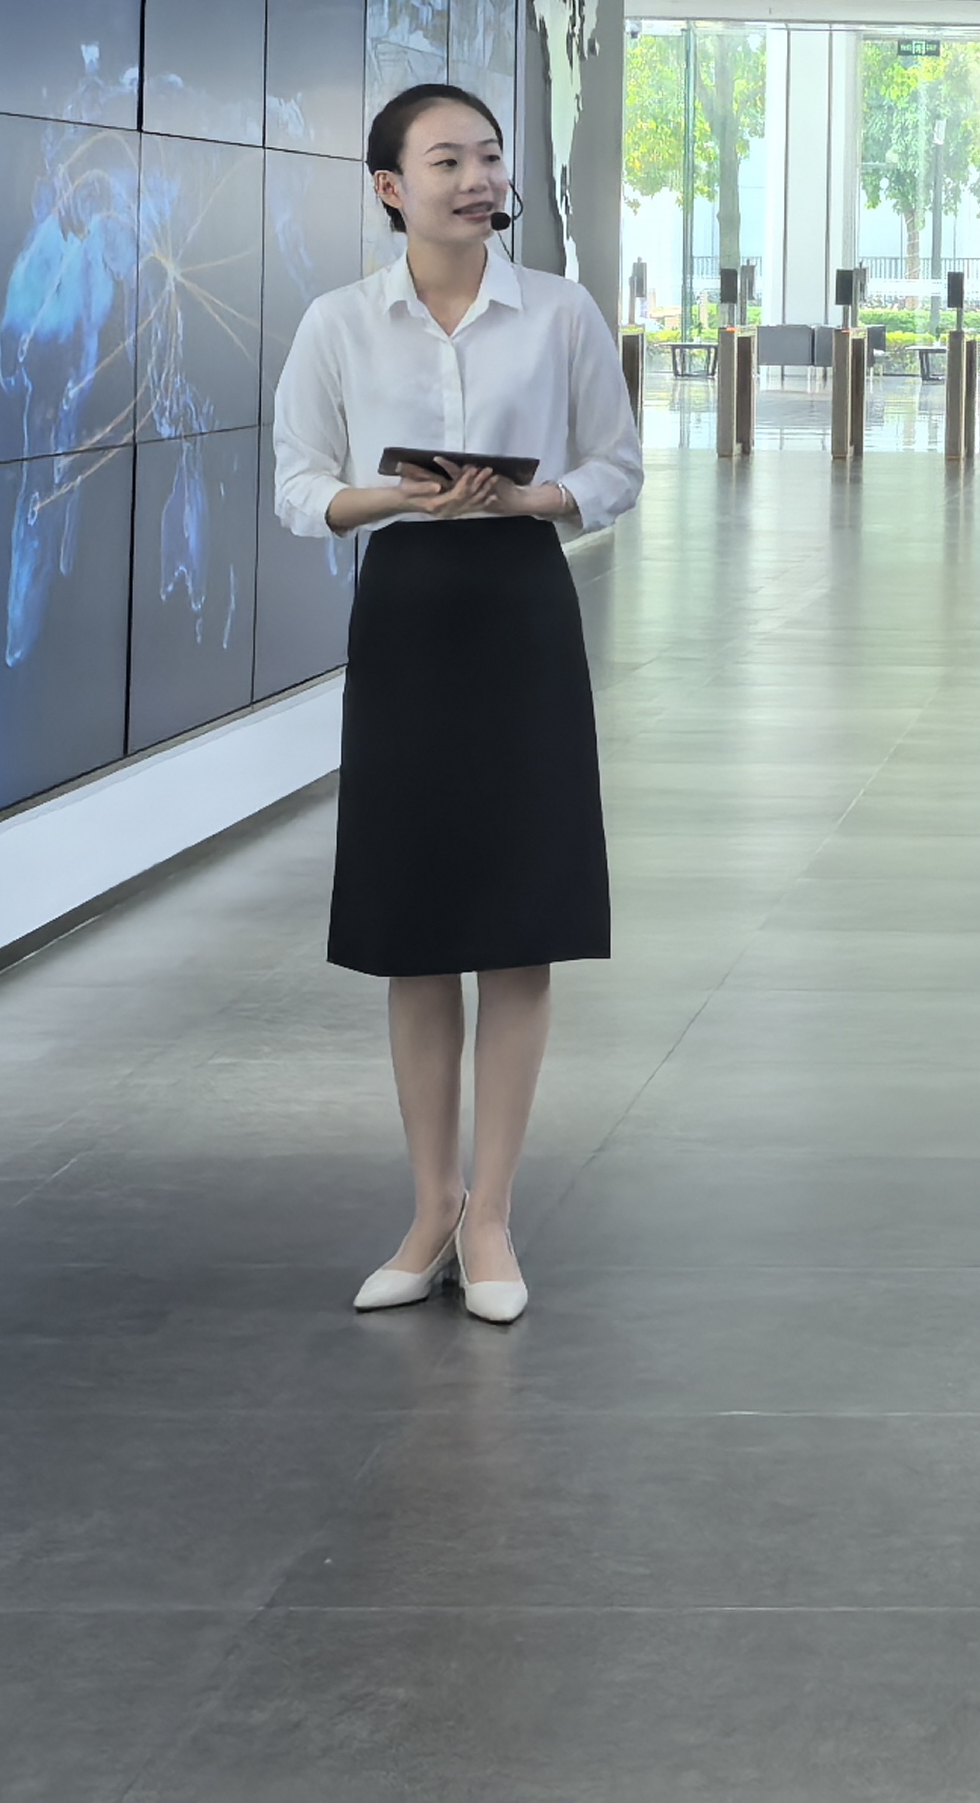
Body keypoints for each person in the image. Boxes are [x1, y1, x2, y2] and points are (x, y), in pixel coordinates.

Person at [272, 82, 645, 1328]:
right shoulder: (339, 322)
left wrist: (536, 500)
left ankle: (491, 1219)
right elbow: (297, 487)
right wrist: (393, 497)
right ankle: (430, 1210)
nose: (478, 178)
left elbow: (617, 466)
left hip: (521, 608)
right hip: (407, 614)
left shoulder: (561, 312)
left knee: (517, 921)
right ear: (391, 188)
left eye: (488, 157)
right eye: (448, 161)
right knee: (417, 926)